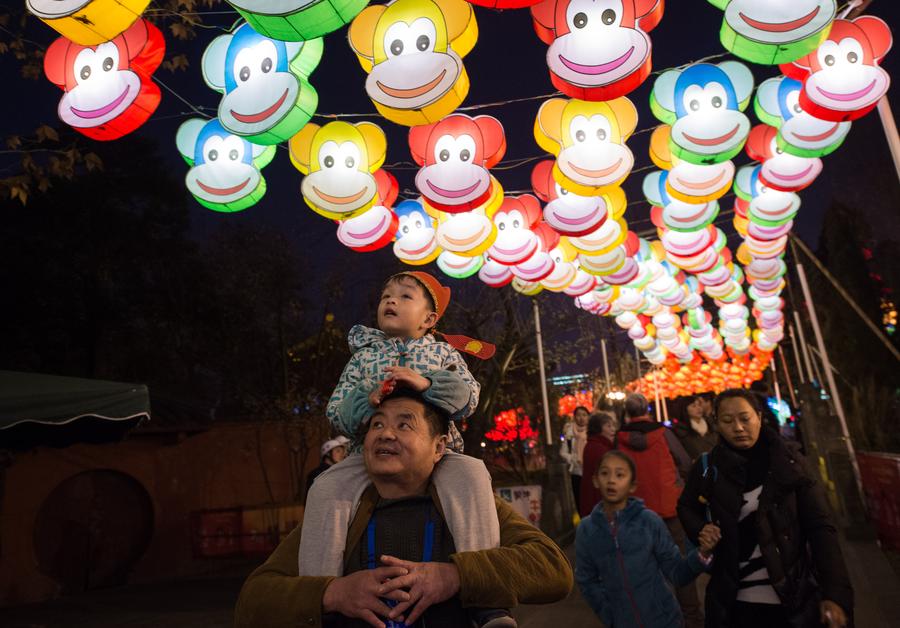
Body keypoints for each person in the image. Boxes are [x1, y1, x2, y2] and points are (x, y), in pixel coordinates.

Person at [235, 392, 574, 628]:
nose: (385, 434)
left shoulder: (466, 503)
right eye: (377, 425)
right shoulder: (338, 513)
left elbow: (553, 569)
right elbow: (252, 602)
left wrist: (455, 575)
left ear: (439, 446)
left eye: (404, 425)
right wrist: (332, 593)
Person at [301, 271, 508, 627]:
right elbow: (336, 410)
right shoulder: (363, 358)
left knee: (473, 472)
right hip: (367, 458)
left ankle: (486, 598)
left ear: (429, 319)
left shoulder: (442, 352)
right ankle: (320, 600)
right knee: (326, 487)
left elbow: (469, 398)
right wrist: (366, 402)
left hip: (438, 457)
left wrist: (426, 384)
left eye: (404, 296)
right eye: (386, 295)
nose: (391, 301)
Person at [677, 388, 853, 628]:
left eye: (745, 418)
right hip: (733, 604)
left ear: (759, 417)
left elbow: (820, 527)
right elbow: (686, 506)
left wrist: (835, 593)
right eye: (727, 421)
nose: (738, 427)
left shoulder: (789, 463)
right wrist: (702, 530)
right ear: (716, 424)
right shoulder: (708, 467)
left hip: (791, 599)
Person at [576, 450, 722, 628]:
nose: (611, 480)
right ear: (595, 480)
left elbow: (676, 572)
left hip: (665, 620)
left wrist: (702, 553)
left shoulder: (648, 521)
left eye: (620, 474)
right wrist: (609, 615)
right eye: (605, 473)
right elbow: (587, 580)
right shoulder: (587, 529)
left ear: (632, 485)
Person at [616, 393, 703, 628]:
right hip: (669, 508)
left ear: (627, 412)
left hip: (635, 512)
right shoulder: (663, 433)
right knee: (680, 563)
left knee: (646, 568)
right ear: (648, 409)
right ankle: (692, 619)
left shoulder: (619, 439)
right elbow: (684, 462)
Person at [579, 412, 617, 517]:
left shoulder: (593, 445)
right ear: (598, 429)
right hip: (600, 503)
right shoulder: (600, 449)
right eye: (608, 426)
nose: (613, 429)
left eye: (613, 425)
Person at [672, 395, 718, 463]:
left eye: (699, 405)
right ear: (685, 409)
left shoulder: (711, 425)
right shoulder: (680, 430)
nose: (699, 408)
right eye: (693, 406)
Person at [562, 405, 590, 512]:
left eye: (584, 415)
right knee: (579, 501)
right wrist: (573, 459)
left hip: (590, 471)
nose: (581, 418)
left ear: (588, 417)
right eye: (578, 415)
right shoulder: (569, 433)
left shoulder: (592, 432)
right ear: (574, 417)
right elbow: (563, 452)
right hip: (576, 472)